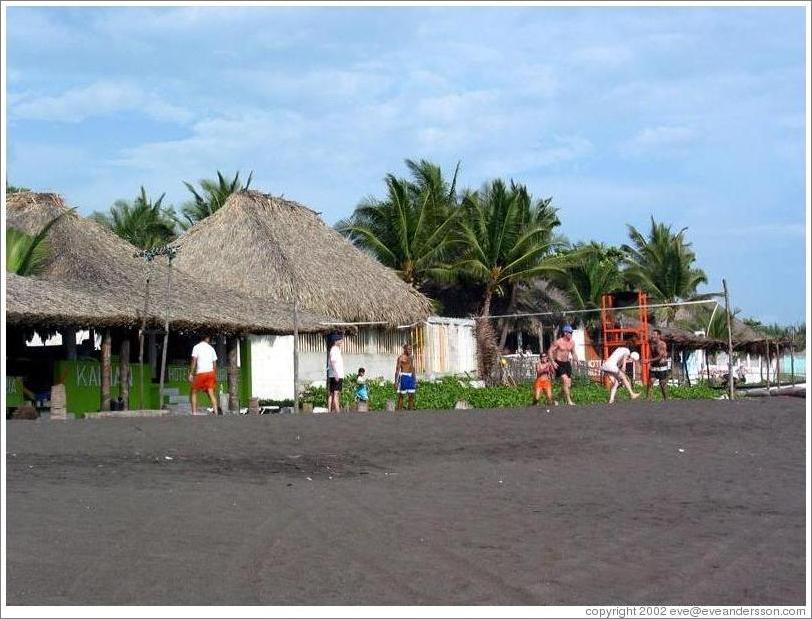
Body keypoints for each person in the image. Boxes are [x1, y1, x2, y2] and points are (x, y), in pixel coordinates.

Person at [548, 324, 579, 406]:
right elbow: (550, 351)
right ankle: (569, 401)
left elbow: (573, 352)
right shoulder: (558, 342)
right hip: (559, 363)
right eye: (570, 332)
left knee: (568, 384)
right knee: (565, 381)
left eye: (571, 332)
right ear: (565, 333)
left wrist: (576, 359)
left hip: (567, 364)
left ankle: (557, 400)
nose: (571, 334)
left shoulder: (572, 342)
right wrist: (552, 362)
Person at [189, 333, 218, 415]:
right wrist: (214, 374)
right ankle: (216, 413)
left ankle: (194, 413)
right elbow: (215, 364)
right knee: (211, 393)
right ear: (207, 338)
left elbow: (194, 362)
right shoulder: (211, 348)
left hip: (201, 373)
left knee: (193, 392)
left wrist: (191, 373)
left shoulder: (196, 347)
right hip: (211, 372)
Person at [645, 329, 670, 400]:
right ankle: (648, 398)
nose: (652, 336)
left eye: (654, 334)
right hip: (654, 366)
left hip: (662, 366)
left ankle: (666, 399)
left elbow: (660, 357)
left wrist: (648, 360)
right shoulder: (651, 343)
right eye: (652, 334)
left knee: (662, 384)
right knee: (650, 382)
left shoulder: (662, 344)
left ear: (659, 336)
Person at [395, 343, 417, 410]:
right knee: (401, 396)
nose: (410, 350)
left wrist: (415, 380)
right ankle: (399, 411)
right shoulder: (401, 358)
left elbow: (412, 368)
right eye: (408, 349)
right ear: (405, 349)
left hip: (410, 377)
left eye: (411, 349)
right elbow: (397, 370)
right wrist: (396, 382)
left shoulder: (411, 357)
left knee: (411, 395)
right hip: (403, 377)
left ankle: (409, 411)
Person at [327, 333, 344, 413]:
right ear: (335, 341)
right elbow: (332, 361)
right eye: (340, 339)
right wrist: (336, 373)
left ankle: (330, 410)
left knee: (332, 393)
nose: (341, 341)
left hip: (334, 374)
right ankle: (337, 412)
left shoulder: (336, 349)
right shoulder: (334, 349)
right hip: (336, 375)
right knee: (336, 393)